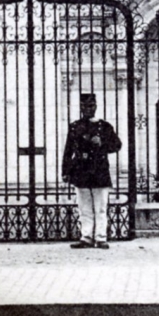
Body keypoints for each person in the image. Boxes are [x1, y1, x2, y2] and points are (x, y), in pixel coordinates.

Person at [62, 93, 122, 249]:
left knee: (101, 207)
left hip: (99, 170)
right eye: (83, 106)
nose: (87, 109)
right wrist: (66, 171)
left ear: (95, 106)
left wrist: (103, 143)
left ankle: (101, 237)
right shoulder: (75, 126)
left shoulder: (105, 127)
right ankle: (86, 237)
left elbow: (117, 145)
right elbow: (68, 150)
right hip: (81, 170)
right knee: (84, 207)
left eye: (90, 106)